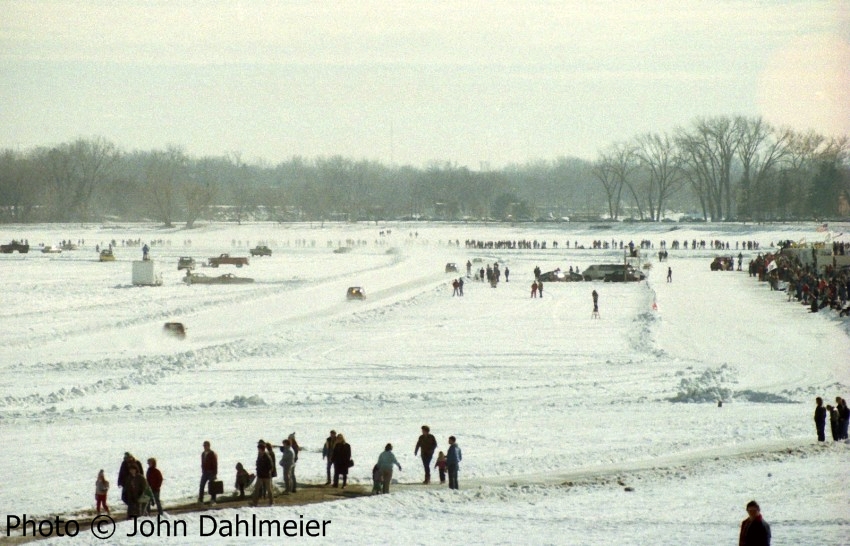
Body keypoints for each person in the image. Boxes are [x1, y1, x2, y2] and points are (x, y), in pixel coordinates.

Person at [251, 441, 274, 506]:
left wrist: (265, 471)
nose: (258, 450)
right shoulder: (259, 455)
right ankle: (255, 502)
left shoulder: (267, 456)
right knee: (256, 489)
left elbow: (270, 466)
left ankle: (271, 502)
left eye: (259, 448)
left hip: (266, 476)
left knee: (269, 489)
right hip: (260, 475)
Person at [198, 440, 218, 505]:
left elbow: (215, 464)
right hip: (205, 472)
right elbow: (202, 463)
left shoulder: (212, 453)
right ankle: (200, 500)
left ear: (208, 446)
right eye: (204, 446)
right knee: (202, 485)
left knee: (212, 486)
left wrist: (215, 473)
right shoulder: (203, 454)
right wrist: (203, 470)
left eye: (205, 446)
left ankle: (213, 499)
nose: (204, 447)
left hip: (211, 472)